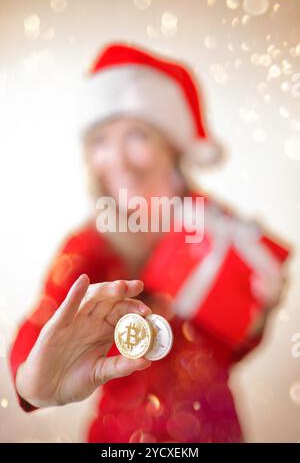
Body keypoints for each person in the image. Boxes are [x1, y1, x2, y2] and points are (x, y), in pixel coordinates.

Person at [9, 43, 290, 443]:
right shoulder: (90, 244)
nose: (117, 159)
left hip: (216, 431)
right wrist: (31, 381)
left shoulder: (223, 232)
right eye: (100, 140)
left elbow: (226, 352)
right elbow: (40, 330)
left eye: (137, 135)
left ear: (171, 146)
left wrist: (256, 317)